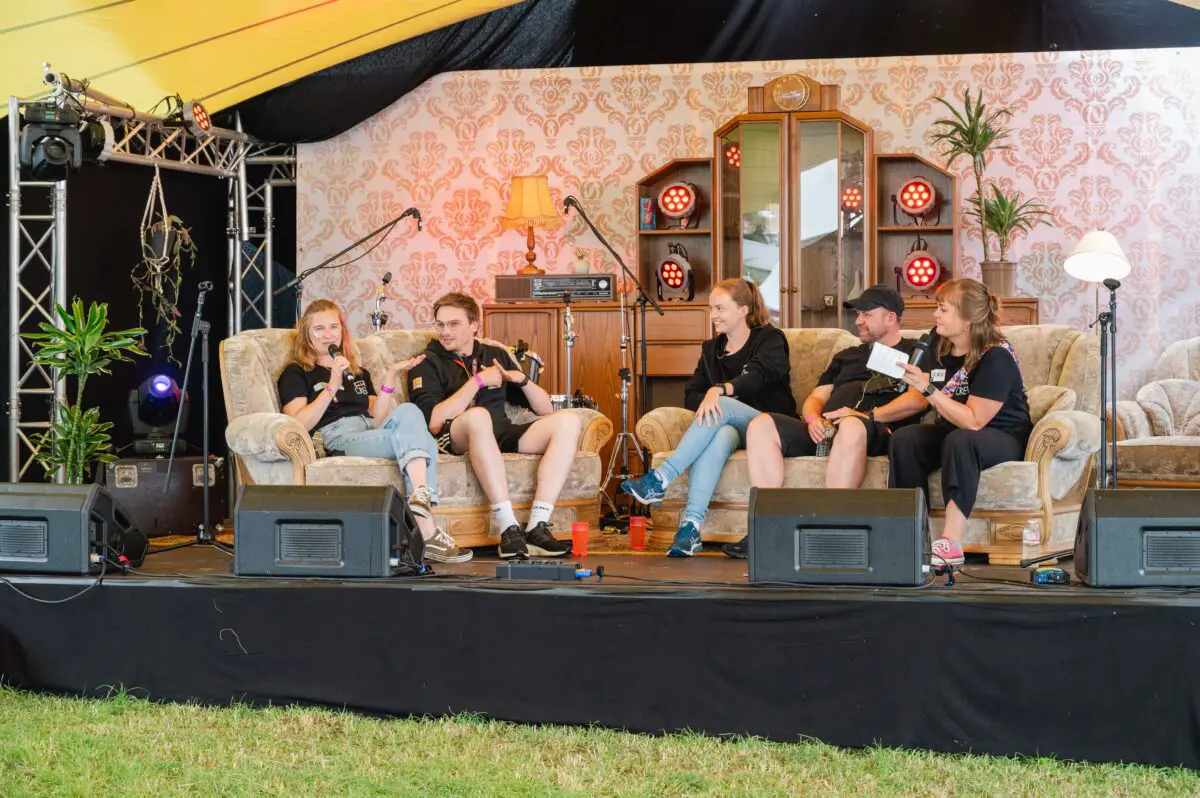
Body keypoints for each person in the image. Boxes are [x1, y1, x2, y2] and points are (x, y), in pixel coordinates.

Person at [726, 285, 928, 558]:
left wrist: (865, 416)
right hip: (826, 430)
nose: (858, 321)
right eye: (858, 314)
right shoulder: (846, 356)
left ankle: (834, 529)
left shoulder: (915, 352)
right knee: (761, 424)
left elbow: (919, 400)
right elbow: (816, 397)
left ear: (890, 318)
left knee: (851, 426)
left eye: (866, 314)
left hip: (873, 429)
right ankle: (765, 528)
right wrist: (811, 420)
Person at [278, 299, 472, 563]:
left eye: (333, 327)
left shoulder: (357, 372)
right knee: (424, 440)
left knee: (409, 411)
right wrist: (332, 384)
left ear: (342, 331)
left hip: (369, 430)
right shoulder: (297, 372)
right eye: (319, 329)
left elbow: (378, 417)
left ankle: (420, 496)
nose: (328, 335)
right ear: (306, 335)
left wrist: (390, 377)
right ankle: (427, 528)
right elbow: (300, 423)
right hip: (338, 437)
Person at [621, 278, 795, 557]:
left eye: (720, 308)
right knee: (722, 431)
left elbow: (762, 374)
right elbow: (692, 394)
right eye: (711, 308)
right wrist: (715, 398)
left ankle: (662, 477)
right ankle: (691, 527)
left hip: (769, 425)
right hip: (732, 428)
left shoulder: (769, 339)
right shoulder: (711, 349)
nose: (713, 315)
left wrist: (721, 391)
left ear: (743, 310)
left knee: (721, 405)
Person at [407, 292, 580, 560]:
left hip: (500, 431)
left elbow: (545, 410)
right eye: (440, 324)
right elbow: (434, 421)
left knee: (569, 421)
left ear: (474, 324)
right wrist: (476, 383)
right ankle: (508, 527)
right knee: (478, 417)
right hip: (456, 435)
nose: (445, 331)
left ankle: (537, 526)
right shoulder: (426, 362)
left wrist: (521, 380)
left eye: (453, 324)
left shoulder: (495, 354)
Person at [890, 278, 1033, 567]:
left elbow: (975, 421)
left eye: (943, 310)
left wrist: (928, 389)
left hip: (1003, 435)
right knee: (905, 439)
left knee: (961, 439)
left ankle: (951, 542)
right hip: (954, 427)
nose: (935, 315)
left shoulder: (996, 357)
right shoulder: (940, 346)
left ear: (967, 320)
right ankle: (911, 537)